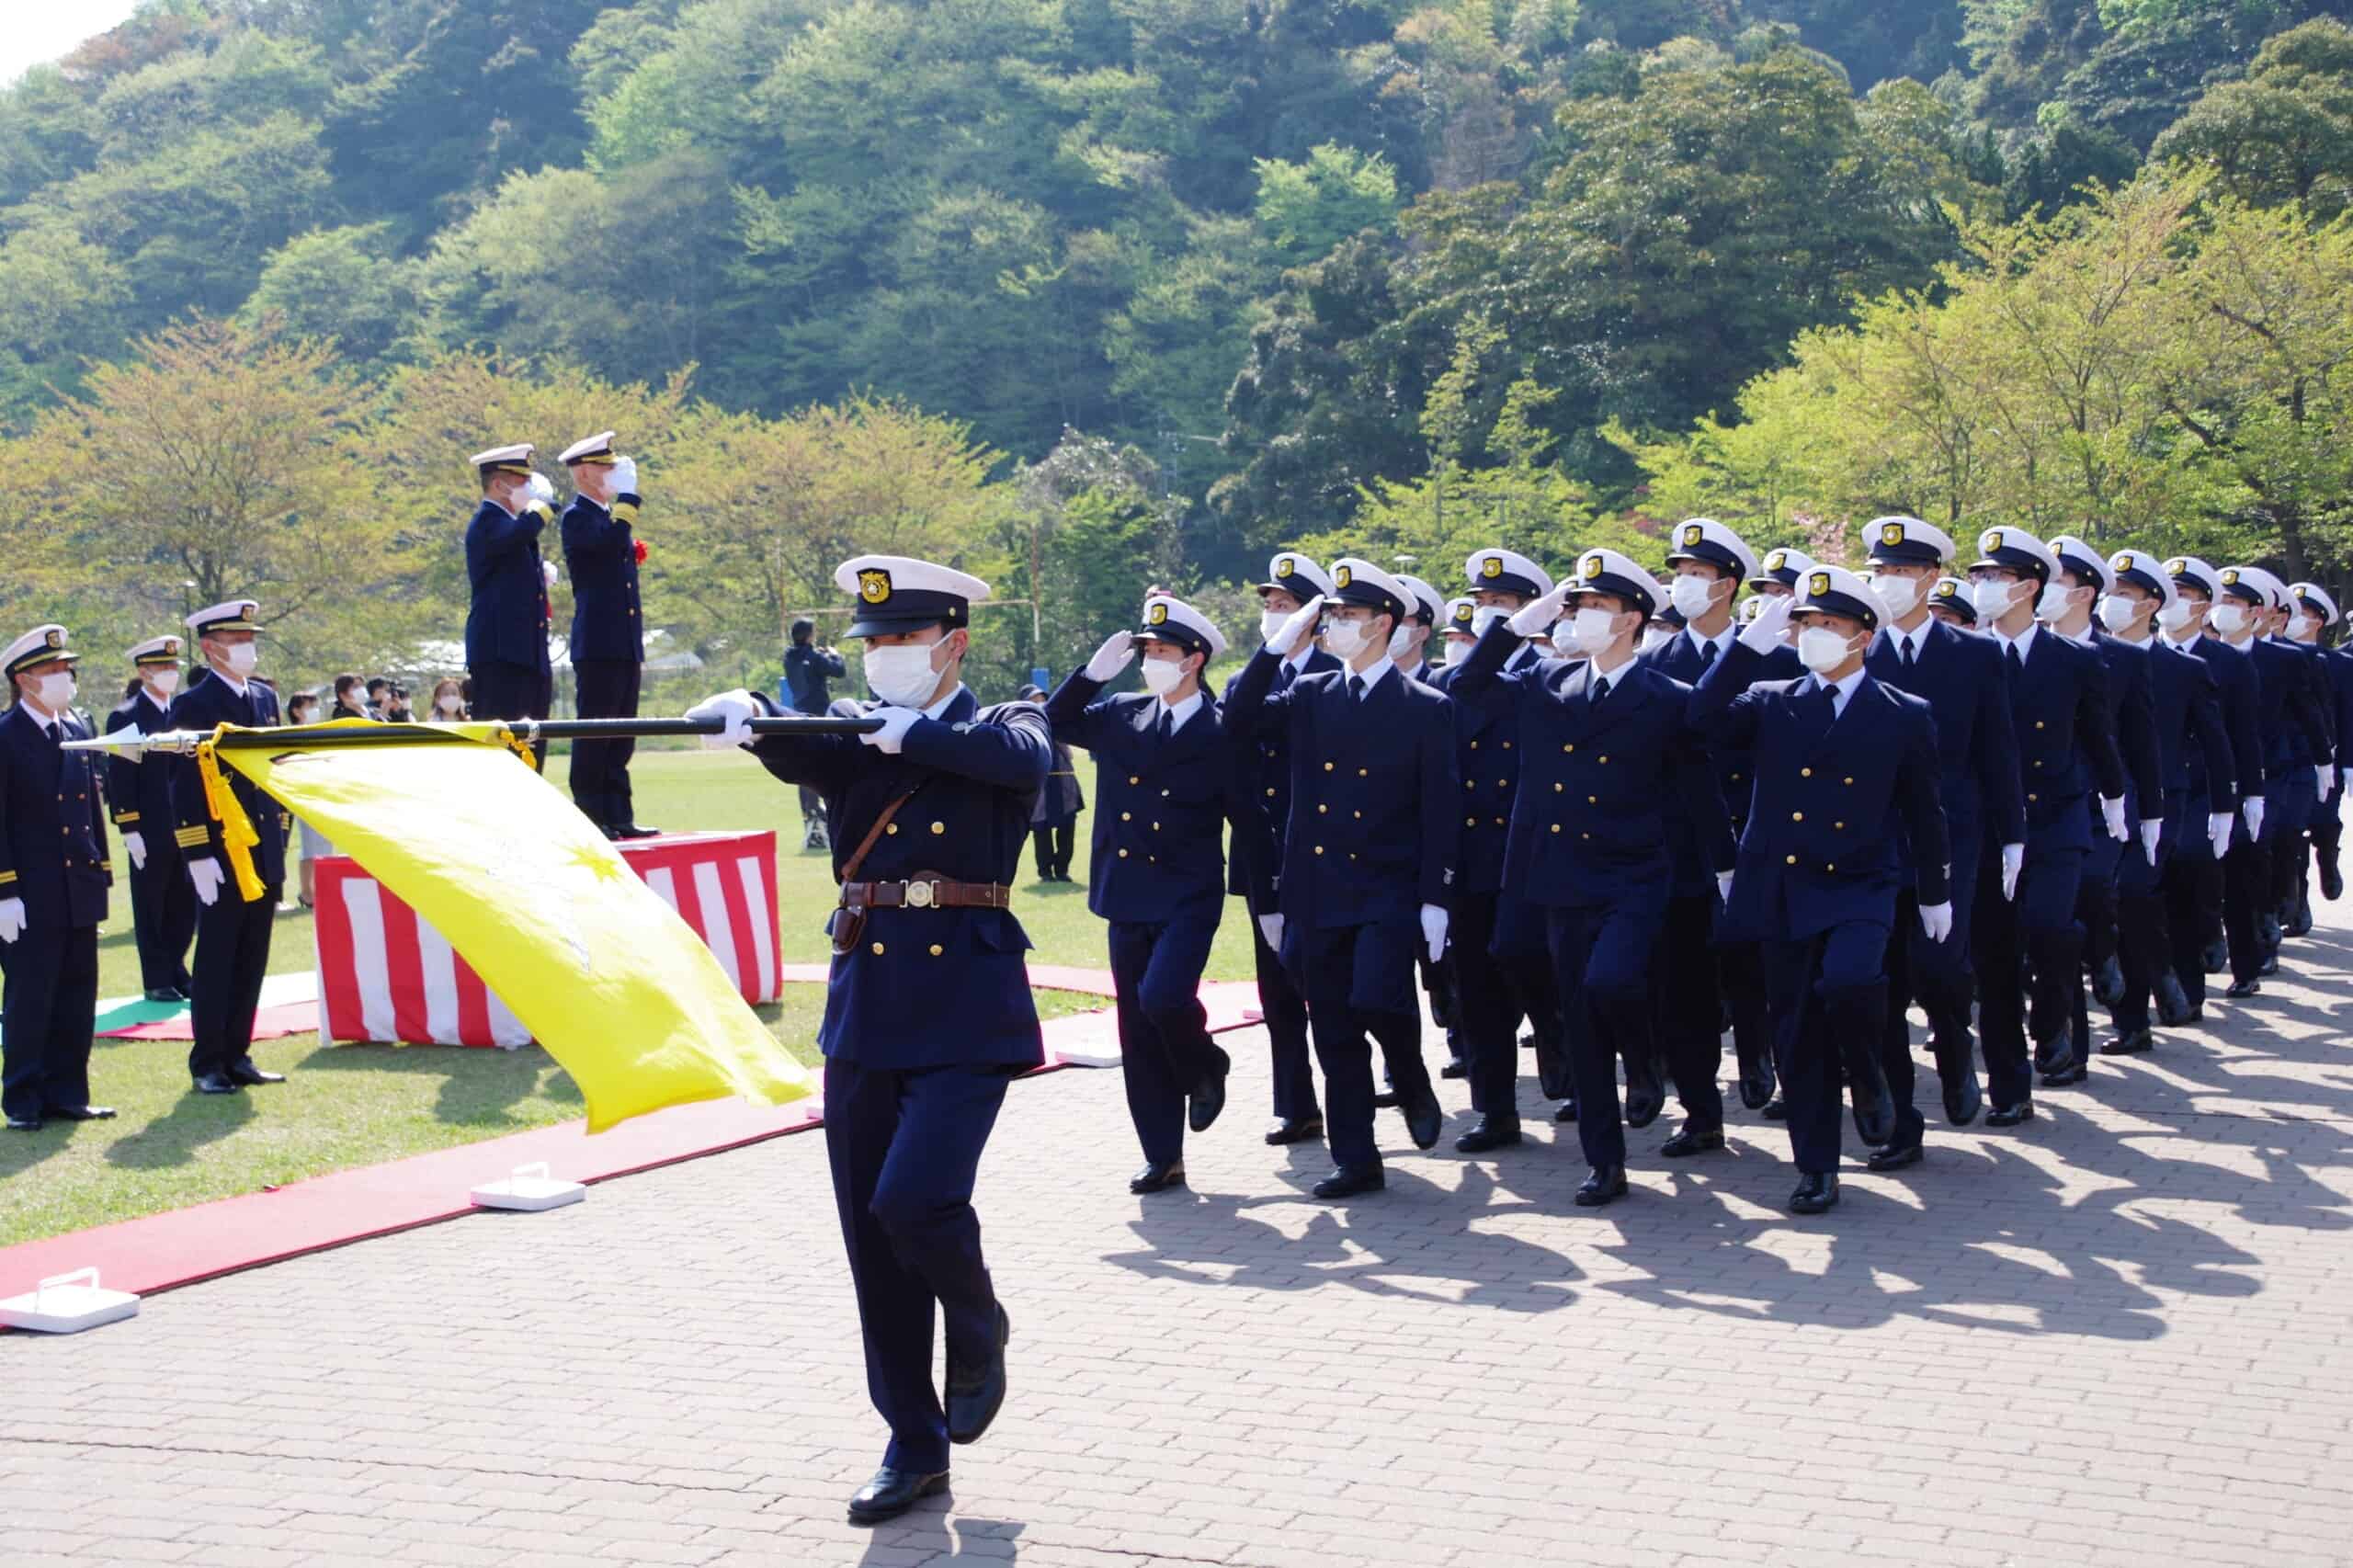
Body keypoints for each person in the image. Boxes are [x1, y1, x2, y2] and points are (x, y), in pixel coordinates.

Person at [687, 554, 1042, 1526]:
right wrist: (749, 714)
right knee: (870, 1237)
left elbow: (1024, 767)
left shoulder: (1007, 721)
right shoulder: (851, 740)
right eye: (873, 643)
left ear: (952, 642)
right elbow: (793, 743)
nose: (883, 656)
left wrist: (919, 731)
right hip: (870, 1005)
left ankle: (978, 1322)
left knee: (916, 1200)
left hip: (968, 1007)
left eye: (903, 639)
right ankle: (912, 1442)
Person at [1449, 548, 1733, 1207]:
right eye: (1578, 606)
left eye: (1598, 607)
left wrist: (1726, 867)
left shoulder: (1666, 696)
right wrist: (1517, 626)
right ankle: (1605, 1161)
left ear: (1633, 617)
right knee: (1579, 1019)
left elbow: (1698, 788)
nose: (1584, 618)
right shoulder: (1549, 682)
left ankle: (1643, 1058)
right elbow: (1467, 685)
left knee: (1613, 982)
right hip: (1563, 876)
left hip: (1636, 873)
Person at [1688, 571, 1952, 1212]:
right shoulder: (1770, 698)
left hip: (1861, 881)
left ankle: (1866, 1075)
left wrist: (1935, 889)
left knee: (1852, 985)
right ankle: (1817, 1166)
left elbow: (1925, 810)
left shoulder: (1902, 713)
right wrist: (1745, 647)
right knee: (1798, 1029)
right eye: (1805, 624)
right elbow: (1698, 720)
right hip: (1781, 883)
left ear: (1864, 634)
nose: (1813, 635)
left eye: (1828, 625)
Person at [1222, 557, 1457, 1199]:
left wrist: (1437, 897)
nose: (1335, 626)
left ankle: (1408, 1074)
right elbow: (1237, 717)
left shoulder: (1424, 706)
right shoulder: (1310, 694)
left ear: (1384, 623)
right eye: (1331, 616)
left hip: (1385, 886)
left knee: (1378, 998)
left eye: (1349, 615)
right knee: (1332, 1024)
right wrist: (1275, 648)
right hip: (1316, 888)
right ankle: (1357, 1158)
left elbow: (1441, 809)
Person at [1048, 596, 1259, 1192]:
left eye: (1161, 652)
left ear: (1194, 660)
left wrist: (1267, 896)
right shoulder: (1120, 713)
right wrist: (1090, 676)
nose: (1150, 662)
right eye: (1145, 652)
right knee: (1137, 1029)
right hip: (1126, 890)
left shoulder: (1222, 731)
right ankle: (1163, 1154)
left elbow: (1248, 817)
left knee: (1165, 998)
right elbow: (1057, 722)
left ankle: (1206, 1062)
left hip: (1188, 892)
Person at [1859, 517, 2022, 1166]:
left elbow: (1998, 750)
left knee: (1942, 968)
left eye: (1901, 573)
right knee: (1883, 985)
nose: (1888, 584)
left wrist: (2012, 835)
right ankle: (1903, 1122)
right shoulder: (1856, 647)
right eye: (1880, 573)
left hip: (1950, 839)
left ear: (1931, 578)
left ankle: (1955, 1042)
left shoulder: (1974, 655)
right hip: (1870, 843)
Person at [1965, 528, 2128, 1124]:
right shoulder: (1967, 654)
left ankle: (2056, 1019)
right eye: (1978, 576)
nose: (1982, 587)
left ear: (2030, 587)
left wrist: (2116, 801)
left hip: (2056, 816)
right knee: (1998, 954)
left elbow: (2098, 737)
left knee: (2051, 927)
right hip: (1988, 824)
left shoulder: (2076, 659)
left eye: (1995, 578)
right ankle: (2013, 1087)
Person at [1430, 548, 1571, 1152]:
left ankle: (1566, 1066)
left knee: (1539, 972)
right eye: (1483, 604)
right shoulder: (1450, 683)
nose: (1489, 616)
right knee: (1477, 991)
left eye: (1503, 605)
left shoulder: (1550, 677)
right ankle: (1497, 1111)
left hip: (1534, 857)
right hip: (1470, 859)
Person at [1641, 518, 1768, 1150]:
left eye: (1697, 575)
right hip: (1683, 845)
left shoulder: (1776, 654)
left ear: (1727, 586)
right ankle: (1701, 1109)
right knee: (1683, 985)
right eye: (1678, 574)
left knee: (1754, 967)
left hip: (1759, 835)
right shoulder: (1654, 660)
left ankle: (1760, 1055)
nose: (1683, 585)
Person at [2040, 536, 2165, 1090]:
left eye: (2059, 581)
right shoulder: (2017, 654)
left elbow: (2141, 746)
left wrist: (2149, 815)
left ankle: (2107, 949)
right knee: (2056, 929)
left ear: (2085, 593)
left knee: (2094, 900)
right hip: (2038, 814)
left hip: (2100, 812)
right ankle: (2070, 1046)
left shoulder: (2121, 660)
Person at [2098, 550, 2236, 1054]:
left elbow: (2217, 742)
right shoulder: (2091, 658)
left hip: (2162, 801)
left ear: (2152, 603)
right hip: (2101, 802)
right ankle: (2140, 1006)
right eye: (2110, 593)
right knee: (2112, 905)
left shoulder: (2183, 670)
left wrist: (2226, 806)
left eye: (2125, 596)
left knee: (2141, 896)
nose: (2113, 603)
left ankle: (2167, 992)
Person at [1224, 551, 1340, 1147]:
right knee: (1277, 990)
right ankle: (1296, 1105)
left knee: (1329, 984)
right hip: (1262, 854)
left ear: (1315, 618)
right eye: (1269, 606)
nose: (1273, 617)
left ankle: (1369, 1084)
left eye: (1285, 607)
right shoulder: (1247, 678)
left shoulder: (1332, 677)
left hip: (1322, 856)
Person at [167, 599, 290, 1096]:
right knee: (217, 959)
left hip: (261, 851)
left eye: (249, 639)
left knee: (251, 957)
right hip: (220, 853)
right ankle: (208, 1062)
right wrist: (197, 854)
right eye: (237, 641)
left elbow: (274, 770)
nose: (247, 648)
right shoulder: (193, 704)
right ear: (211, 647)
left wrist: (279, 839)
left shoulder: (263, 698)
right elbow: (182, 784)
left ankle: (238, 1052)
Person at [0, 624, 114, 1131]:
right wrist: (5, 890)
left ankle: (68, 1092)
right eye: (53, 670)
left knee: (76, 992)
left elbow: (88, 810)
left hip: (77, 886)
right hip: (30, 890)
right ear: (24, 680)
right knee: (30, 994)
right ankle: (23, 1096)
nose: (65, 678)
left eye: (67, 668)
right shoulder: (6, 736)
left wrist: (101, 872)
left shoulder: (76, 730)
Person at [2157, 557, 2267, 1012]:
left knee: (2194, 878)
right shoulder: (2132, 655)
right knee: (2151, 892)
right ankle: (2168, 979)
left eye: (2186, 595)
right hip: (2148, 789)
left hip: (2202, 789)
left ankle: (2195, 981)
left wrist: (2250, 794)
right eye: (2172, 593)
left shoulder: (2229, 663)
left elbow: (2242, 734)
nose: (2176, 604)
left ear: (2205, 607)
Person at [2212, 565, 2329, 990]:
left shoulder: (2286, 659)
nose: (2221, 610)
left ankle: (2258, 946)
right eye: (2219, 601)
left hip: (2270, 775)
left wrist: (2325, 763)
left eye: (2232, 603)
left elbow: (2310, 714)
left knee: (2251, 861)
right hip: (2210, 779)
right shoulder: (2200, 657)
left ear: (2256, 611)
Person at [559, 432, 654, 840]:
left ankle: (619, 814)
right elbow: (610, 543)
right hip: (598, 642)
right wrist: (629, 500)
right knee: (595, 734)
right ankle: (590, 816)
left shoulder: (604, 517)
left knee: (620, 735)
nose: (613, 474)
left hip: (623, 641)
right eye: (605, 467)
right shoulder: (578, 516)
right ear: (584, 473)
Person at [106, 635, 198, 1002]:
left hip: (187, 826)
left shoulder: (184, 712)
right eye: (163, 668)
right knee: (152, 905)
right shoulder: (126, 716)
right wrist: (129, 827)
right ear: (144, 672)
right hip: (150, 827)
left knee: (184, 905)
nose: (171, 673)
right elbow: (121, 776)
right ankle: (156, 977)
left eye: (174, 667)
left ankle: (176, 967)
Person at [463, 442, 557, 737]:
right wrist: (541, 509)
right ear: (499, 484)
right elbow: (516, 535)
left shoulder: (511, 524)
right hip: (500, 653)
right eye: (522, 480)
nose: (529, 486)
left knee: (531, 740)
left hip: (525, 652)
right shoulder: (488, 521)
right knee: (501, 741)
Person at [2289, 583, 2351, 912]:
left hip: (2327, 757)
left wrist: (2347, 761)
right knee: (2291, 831)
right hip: (2289, 760)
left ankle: (2328, 859)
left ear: (2317, 621)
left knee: (2325, 822)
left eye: (2303, 614)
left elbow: (2346, 714)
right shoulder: (2275, 658)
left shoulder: (2337, 663)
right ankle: (2297, 901)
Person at [784, 617, 849, 849]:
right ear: (810, 635)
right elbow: (839, 670)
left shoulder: (789, 657)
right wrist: (833, 654)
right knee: (828, 767)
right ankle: (826, 818)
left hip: (798, 717)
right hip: (820, 718)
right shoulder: (814, 657)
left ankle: (811, 818)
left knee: (805, 769)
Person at [1025, 684, 1085, 881]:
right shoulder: (1023, 725)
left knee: (1067, 827)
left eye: (1042, 699)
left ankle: (1062, 870)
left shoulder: (1057, 722)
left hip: (1063, 780)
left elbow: (1068, 753)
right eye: (1034, 700)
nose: (1040, 703)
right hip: (1040, 784)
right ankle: (1045, 872)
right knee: (1041, 829)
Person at [284, 691, 331, 910]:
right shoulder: (290, 734)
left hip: (322, 793)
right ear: (296, 711)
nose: (314, 710)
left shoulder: (318, 733)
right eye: (309, 705)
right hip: (303, 794)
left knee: (322, 846)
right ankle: (306, 891)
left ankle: (319, 890)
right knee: (310, 847)